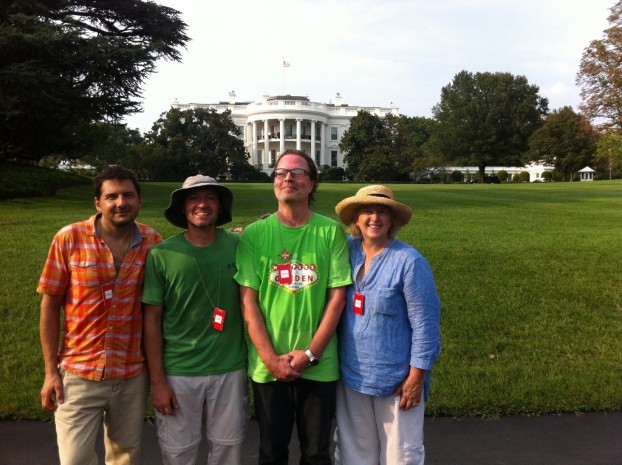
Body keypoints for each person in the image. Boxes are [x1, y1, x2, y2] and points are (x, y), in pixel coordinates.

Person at [38, 166, 162, 465]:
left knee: (125, 458)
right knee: (75, 459)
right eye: (112, 196)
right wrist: (50, 371)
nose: (121, 202)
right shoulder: (69, 239)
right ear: (98, 203)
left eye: (128, 195)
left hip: (131, 372)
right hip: (79, 371)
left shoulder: (152, 243)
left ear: (139, 200)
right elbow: (50, 307)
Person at [235, 149, 352, 465]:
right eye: (281, 173)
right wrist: (271, 359)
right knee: (272, 453)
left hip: (319, 364)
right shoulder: (255, 234)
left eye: (298, 173)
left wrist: (311, 354)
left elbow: (337, 298)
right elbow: (248, 302)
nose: (288, 178)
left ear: (312, 183)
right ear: (274, 182)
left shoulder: (330, 232)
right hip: (267, 365)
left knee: (316, 453)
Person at [142, 175, 248, 465]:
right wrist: (158, 382)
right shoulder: (162, 255)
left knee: (229, 449)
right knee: (179, 453)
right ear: (183, 208)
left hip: (230, 368)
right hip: (179, 372)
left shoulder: (240, 245)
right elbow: (151, 322)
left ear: (220, 206)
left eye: (210, 198)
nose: (203, 204)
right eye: (194, 198)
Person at [333, 185, 441, 465]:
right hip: (352, 376)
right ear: (356, 219)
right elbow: (305, 241)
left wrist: (416, 378)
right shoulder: (346, 250)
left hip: (396, 380)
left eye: (383, 212)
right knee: (354, 454)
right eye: (367, 211)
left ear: (392, 220)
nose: (374, 218)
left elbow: (426, 326)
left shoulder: (409, 262)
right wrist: (249, 233)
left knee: (400, 456)